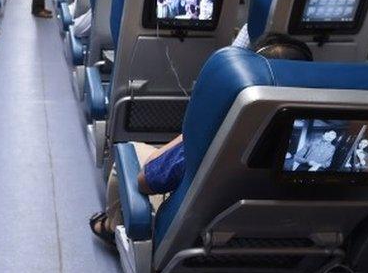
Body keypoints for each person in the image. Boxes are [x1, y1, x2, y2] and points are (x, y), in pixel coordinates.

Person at [89, 34, 314, 243]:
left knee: (127, 158)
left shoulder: (222, 132)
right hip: (285, 244)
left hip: (199, 242)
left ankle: (112, 226)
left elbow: (146, 181)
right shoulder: (322, 132)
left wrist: (191, 132)